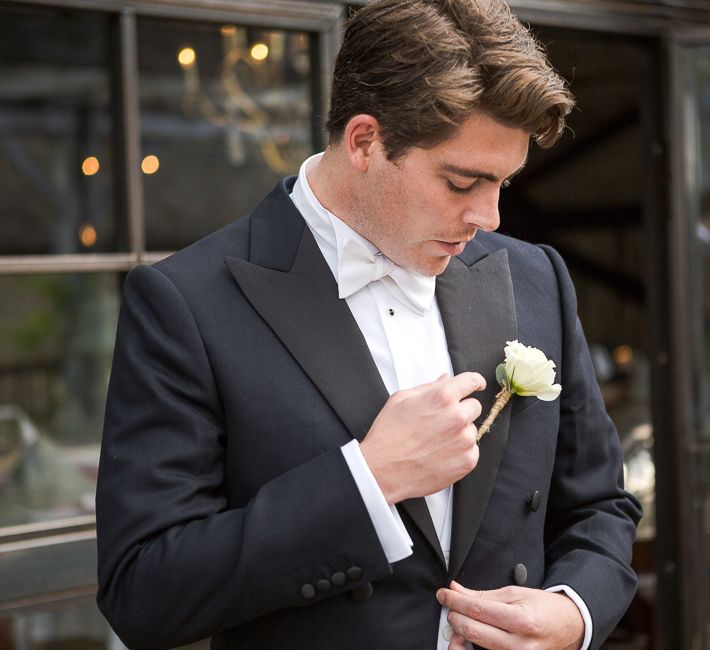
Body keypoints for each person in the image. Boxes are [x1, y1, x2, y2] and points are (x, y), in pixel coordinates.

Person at [95, 0, 642, 648]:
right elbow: (143, 591)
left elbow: (601, 506)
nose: (491, 216)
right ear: (364, 141)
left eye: (503, 182)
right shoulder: (187, 303)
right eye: (462, 181)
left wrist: (574, 612)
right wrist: (368, 481)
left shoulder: (535, 278)